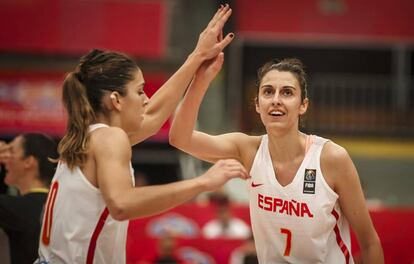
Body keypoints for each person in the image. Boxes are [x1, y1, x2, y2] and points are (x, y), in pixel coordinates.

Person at [36, 4, 249, 264]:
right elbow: (123, 204)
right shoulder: (110, 139)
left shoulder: (90, 136)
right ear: (116, 100)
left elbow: (154, 116)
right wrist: (202, 182)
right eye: (139, 92)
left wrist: (196, 59)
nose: (146, 99)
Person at [169, 57, 384, 263]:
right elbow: (180, 138)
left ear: (303, 105)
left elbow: (370, 242)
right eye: (268, 92)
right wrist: (201, 80)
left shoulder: (331, 158)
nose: (276, 100)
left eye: (287, 93)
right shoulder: (248, 150)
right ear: (257, 104)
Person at [0, 133, 58, 264]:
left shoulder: (17, 208)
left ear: (28, 162)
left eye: (11, 151)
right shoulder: (60, 205)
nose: (5, 159)